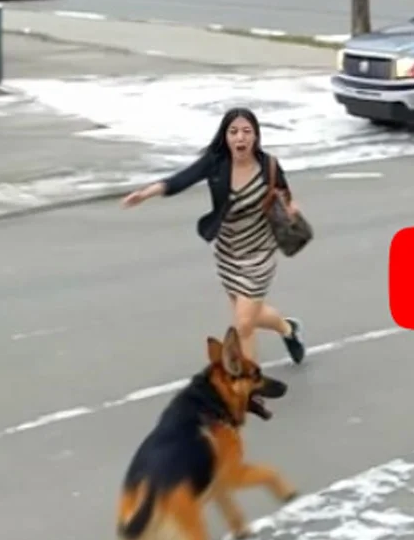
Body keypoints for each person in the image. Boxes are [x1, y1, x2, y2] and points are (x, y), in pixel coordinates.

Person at [121, 107, 306, 366]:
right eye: (234, 132)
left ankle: (251, 383)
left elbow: (284, 193)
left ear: (255, 136)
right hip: (228, 250)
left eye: (246, 131)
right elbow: (181, 180)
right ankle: (288, 329)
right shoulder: (216, 162)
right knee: (249, 317)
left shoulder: (269, 165)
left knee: (243, 324)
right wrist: (145, 194)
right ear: (225, 136)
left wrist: (291, 207)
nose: (240, 137)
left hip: (260, 251)